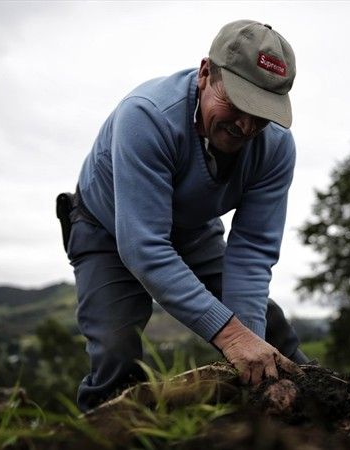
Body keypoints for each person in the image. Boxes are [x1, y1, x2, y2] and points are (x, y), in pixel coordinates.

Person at [58, 19, 310, 412]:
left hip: (192, 231)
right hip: (106, 230)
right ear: (206, 73)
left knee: (271, 331)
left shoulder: (275, 147)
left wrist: (250, 349)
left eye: (261, 114)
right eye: (239, 104)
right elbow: (145, 247)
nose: (246, 125)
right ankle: (105, 426)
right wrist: (231, 338)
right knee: (116, 350)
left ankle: (315, 412)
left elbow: (253, 250)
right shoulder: (147, 118)